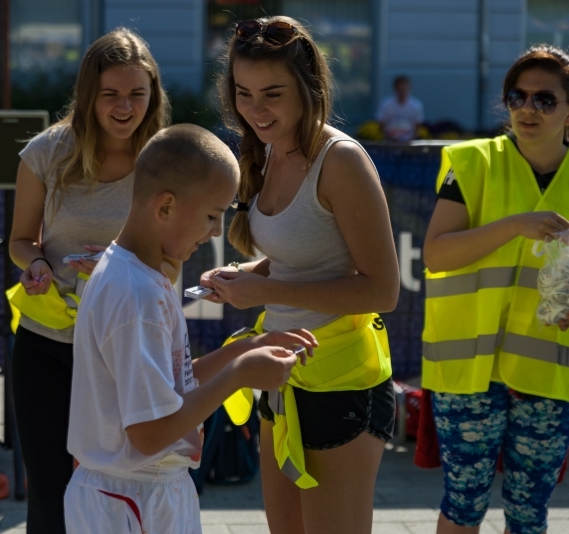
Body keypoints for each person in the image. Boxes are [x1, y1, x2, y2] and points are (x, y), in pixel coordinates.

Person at [64, 124, 316, 533]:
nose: (217, 231)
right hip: (132, 498)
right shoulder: (136, 294)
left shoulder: (142, 275)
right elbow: (149, 434)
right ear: (165, 207)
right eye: (213, 216)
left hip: (142, 494)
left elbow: (169, 385)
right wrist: (238, 376)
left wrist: (248, 349)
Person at [202, 16, 400, 533]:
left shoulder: (341, 161)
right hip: (283, 375)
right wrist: (244, 274)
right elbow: (301, 255)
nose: (256, 110)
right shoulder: (267, 148)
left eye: (272, 94)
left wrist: (264, 289)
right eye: (243, 94)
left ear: (308, 90)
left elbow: (383, 288)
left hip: (343, 380)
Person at [7, 28, 173, 533]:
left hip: (128, 350)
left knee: (124, 490)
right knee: (50, 497)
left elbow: (174, 264)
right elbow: (20, 240)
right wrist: (35, 265)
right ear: (88, 95)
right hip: (49, 344)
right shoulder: (47, 152)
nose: (125, 107)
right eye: (111, 95)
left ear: (154, 95)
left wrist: (121, 263)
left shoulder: (166, 160)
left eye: (137, 94)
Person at [421, 44, 569, 534]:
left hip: (549, 373)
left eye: (545, 100)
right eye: (517, 96)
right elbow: (436, 255)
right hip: (469, 370)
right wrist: (513, 225)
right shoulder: (472, 162)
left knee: (529, 515)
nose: (528, 109)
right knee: (463, 504)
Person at [377, 75, 424, 142]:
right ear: (395, 89)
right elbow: (381, 126)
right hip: (390, 142)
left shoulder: (416, 105)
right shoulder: (386, 104)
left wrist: (410, 140)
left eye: (405, 89)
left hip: (409, 143)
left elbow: (418, 127)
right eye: (401, 90)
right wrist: (390, 139)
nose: (403, 93)